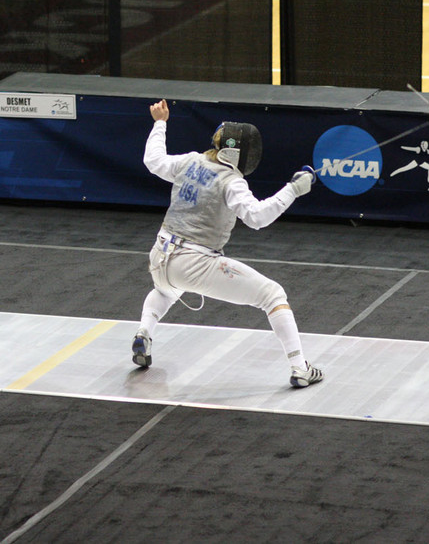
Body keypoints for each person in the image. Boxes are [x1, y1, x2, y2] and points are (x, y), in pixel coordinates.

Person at [132, 99, 323, 388]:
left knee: (166, 290)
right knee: (273, 295)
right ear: (237, 153)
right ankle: (300, 368)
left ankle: (143, 334)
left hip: (159, 256)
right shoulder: (231, 181)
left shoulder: (190, 161)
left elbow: (153, 161)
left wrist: (160, 123)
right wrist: (293, 190)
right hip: (194, 261)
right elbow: (257, 217)